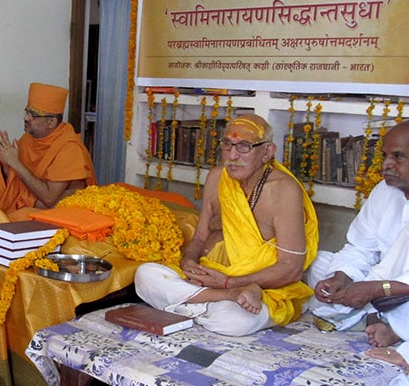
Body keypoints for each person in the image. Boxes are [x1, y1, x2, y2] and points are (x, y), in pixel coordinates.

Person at [134, 114, 319, 336]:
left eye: (244, 147)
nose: (232, 155)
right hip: (213, 279)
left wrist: (232, 281)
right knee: (145, 276)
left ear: (267, 152)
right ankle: (222, 299)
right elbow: (200, 238)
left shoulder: (284, 190)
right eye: (227, 145)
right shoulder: (216, 178)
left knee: (234, 320)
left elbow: (291, 268)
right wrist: (189, 261)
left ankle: (195, 304)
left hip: (262, 287)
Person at [308, 121, 409, 346]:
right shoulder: (384, 191)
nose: (386, 165)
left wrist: (374, 289)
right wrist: (341, 277)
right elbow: (361, 247)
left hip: (400, 289)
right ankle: (376, 317)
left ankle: (386, 324)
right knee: (319, 264)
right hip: (381, 282)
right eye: (385, 156)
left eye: (398, 157)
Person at [0, 82, 97, 220]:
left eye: (33, 115)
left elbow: (48, 198)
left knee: (10, 220)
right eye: (27, 111)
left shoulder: (69, 148)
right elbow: (15, 182)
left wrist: (14, 163)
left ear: (51, 122)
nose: (26, 118)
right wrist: (6, 167)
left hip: (61, 214)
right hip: (36, 207)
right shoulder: (29, 138)